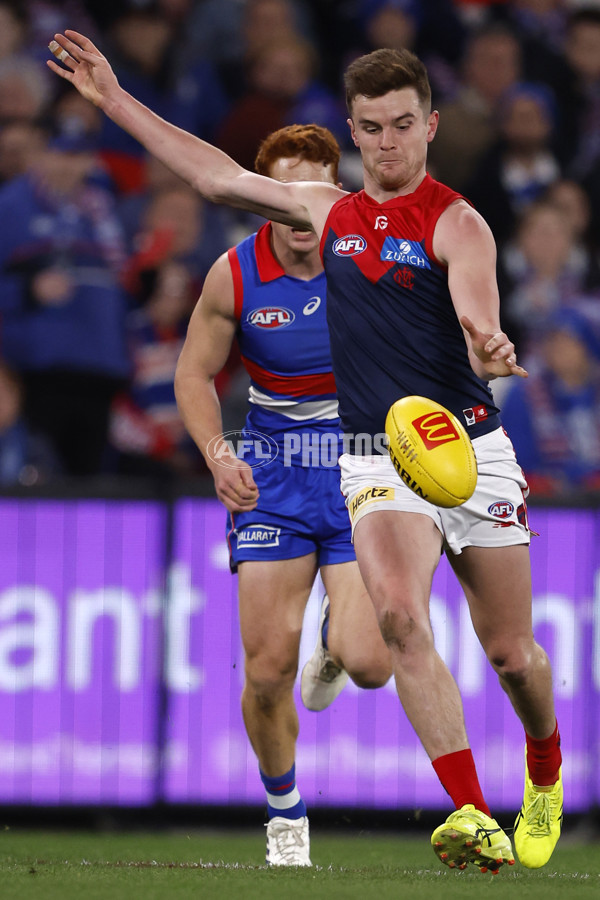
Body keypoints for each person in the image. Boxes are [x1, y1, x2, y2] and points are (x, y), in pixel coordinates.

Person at [47, 32, 563, 873]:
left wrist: (485, 335)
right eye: (372, 127)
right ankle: (471, 811)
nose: (388, 142)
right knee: (396, 624)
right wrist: (112, 101)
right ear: (353, 133)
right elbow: (214, 175)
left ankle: (545, 766)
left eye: (403, 124)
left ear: (431, 125)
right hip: (370, 456)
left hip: (467, 450)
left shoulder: (458, 221)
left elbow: (475, 297)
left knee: (512, 654)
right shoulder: (329, 212)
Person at [175, 123, 394, 863]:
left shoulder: (372, 260)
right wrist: (216, 454)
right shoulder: (233, 275)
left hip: (363, 466)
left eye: (313, 197)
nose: (299, 218)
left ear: (337, 191)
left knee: (370, 664)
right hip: (273, 476)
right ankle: (286, 817)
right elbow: (191, 375)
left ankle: (339, 634)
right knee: (267, 670)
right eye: (282, 200)